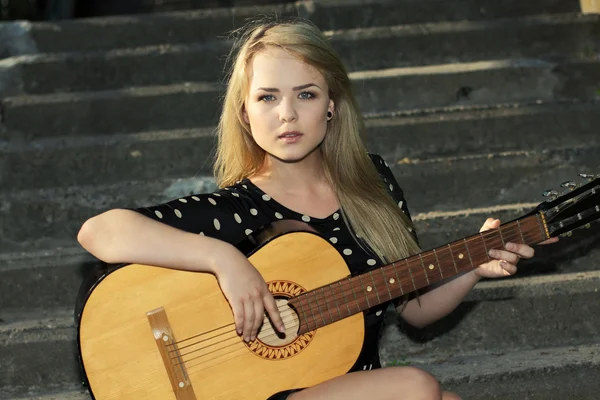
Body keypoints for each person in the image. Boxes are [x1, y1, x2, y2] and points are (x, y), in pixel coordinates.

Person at [77, 16, 557, 400]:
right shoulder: (240, 208)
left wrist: (472, 264)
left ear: (331, 105)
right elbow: (100, 232)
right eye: (267, 97)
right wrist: (224, 259)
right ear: (245, 113)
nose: (287, 114)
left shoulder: (374, 184)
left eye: (305, 94)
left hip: (354, 384)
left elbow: (413, 309)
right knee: (418, 388)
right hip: (260, 392)